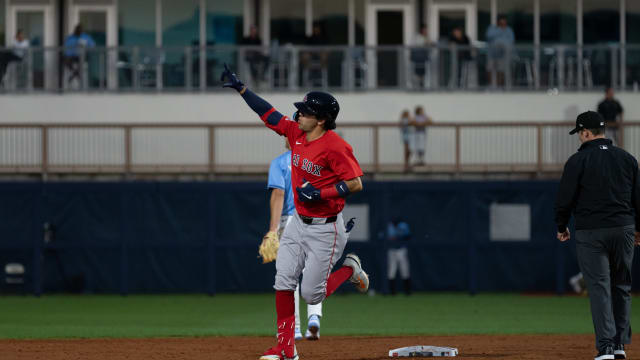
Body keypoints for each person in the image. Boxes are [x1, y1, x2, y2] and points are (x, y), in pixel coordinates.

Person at [221, 64, 369, 360]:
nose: (298, 115)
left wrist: (321, 193)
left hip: (326, 228)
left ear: (322, 119)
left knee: (311, 295)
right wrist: (242, 90)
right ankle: (286, 348)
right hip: (298, 223)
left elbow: (355, 183)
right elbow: (268, 113)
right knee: (283, 281)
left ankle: (350, 268)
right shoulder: (296, 133)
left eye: (305, 111)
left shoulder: (336, 147)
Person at [554, 111, 640, 360]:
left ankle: (606, 349)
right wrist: (638, 228)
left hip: (591, 232)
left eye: (580, 134)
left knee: (600, 288)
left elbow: (564, 199)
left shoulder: (577, 161)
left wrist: (561, 226)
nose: (580, 138)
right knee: (622, 286)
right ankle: (620, 345)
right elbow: (638, 198)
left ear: (586, 133)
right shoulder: (627, 159)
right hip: (623, 229)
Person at [485, 16, 514, 87]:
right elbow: (488, 36)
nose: (503, 24)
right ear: (498, 22)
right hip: (492, 53)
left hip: (503, 55)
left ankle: (499, 86)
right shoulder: (492, 28)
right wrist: (500, 30)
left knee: (501, 69)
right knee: (490, 69)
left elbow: (511, 41)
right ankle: (491, 85)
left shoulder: (509, 30)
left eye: (504, 23)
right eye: (501, 23)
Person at [386, 217, 411, 295]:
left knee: (405, 270)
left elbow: (408, 236)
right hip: (391, 250)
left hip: (401, 249)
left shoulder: (403, 225)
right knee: (391, 271)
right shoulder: (388, 226)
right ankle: (392, 292)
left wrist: (398, 236)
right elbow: (383, 236)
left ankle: (407, 291)